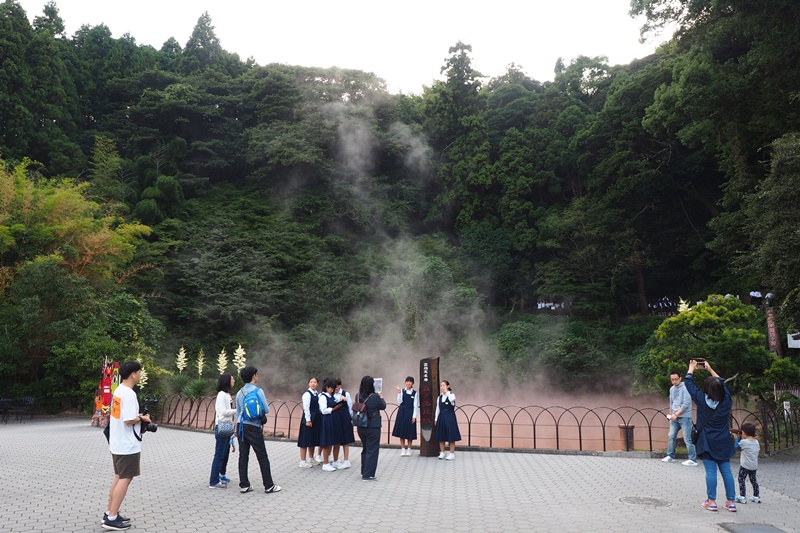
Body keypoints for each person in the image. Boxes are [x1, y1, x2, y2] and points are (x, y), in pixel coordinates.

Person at [102, 361, 150, 531]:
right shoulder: (129, 394)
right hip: (127, 445)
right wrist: (143, 419)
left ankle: (110, 513)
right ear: (133, 374)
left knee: (118, 476)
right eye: (139, 372)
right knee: (125, 478)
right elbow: (128, 420)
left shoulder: (119, 390)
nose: (141, 375)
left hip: (117, 442)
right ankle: (112, 518)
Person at [684, 360, 736, 512]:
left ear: (707, 389)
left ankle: (711, 501)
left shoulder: (701, 399)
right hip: (723, 441)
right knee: (726, 471)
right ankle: (731, 502)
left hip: (707, 442)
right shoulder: (726, 400)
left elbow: (689, 384)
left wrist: (691, 368)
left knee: (711, 472)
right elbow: (722, 383)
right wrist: (711, 369)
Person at [236, 366, 281, 494]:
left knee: (243, 456)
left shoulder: (240, 393)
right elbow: (266, 410)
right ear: (254, 376)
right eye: (257, 374)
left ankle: (244, 485)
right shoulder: (258, 391)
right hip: (254, 427)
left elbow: (238, 413)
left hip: (241, 427)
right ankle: (268, 485)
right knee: (262, 456)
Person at [662, 370, 698, 466]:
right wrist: (670, 415)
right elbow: (671, 402)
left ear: (680, 378)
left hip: (685, 417)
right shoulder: (672, 389)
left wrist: (676, 414)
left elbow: (686, 403)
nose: (674, 381)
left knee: (687, 438)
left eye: (676, 379)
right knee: (671, 436)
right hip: (674, 417)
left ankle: (693, 459)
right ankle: (670, 456)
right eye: (672, 380)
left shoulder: (685, 387)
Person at [356, 375, 387, 480]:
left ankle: (363, 471)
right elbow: (383, 406)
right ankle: (367, 475)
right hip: (373, 427)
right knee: (372, 450)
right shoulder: (375, 397)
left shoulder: (357, 395)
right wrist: (382, 397)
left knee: (365, 449)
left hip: (360, 426)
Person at [209, 373, 236, 488]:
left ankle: (221, 475)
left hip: (227, 426)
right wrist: (237, 410)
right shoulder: (221, 395)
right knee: (219, 454)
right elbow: (223, 411)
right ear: (226, 381)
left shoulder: (227, 394)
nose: (233, 380)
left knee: (225, 453)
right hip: (222, 426)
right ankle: (213, 481)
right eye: (231, 378)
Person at [734, 423, 762, 504]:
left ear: (744, 432)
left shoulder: (744, 442)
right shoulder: (756, 442)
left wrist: (738, 438)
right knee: (753, 480)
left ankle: (742, 496)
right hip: (754, 465)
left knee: (741, 479)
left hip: (745, 465)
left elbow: (737, 446)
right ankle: (756, 496)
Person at [434, 380, 461, 460]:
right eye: (441, 385)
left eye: (444, 385)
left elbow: (452, 400)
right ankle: (442, 452)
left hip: (450, 416)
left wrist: (447, 392)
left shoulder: (451, 395)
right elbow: (437, 409)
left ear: (448, 386)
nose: (442, 387)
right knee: (441, 435)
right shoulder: (439, 397)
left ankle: (451, 453)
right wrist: (436, 419)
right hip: (441, 416)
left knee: (451, 435)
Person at [297, 377, 321, 468]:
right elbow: (306, 408)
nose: (313, 384)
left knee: (312, 439)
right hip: (309, 419)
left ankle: (311, 458)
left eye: (315, 382)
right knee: (305, 440)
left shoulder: (316, 394)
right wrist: (308, 420)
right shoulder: (307, 394)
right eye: (311, 382)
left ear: (317, 384)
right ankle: (302, 461)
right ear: (308, 383)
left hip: (316, 419)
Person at [392, 376, 418, 457]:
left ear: (412, 383)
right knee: (402, 432)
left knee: (410, 432)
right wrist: (399, 393)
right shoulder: (402, 391)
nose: (408, 383)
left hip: (410, 413)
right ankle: (403, 449)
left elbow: (415, 405)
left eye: (410, 382)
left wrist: (414, 416)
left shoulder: (415, 393)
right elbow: (399, 401)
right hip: (402, 413)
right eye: (407, 381)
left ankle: (409, 449)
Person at [331, 378, 354, 469]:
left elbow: (350, 407)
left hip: (345, 418)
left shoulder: (346, 394)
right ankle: (335, 460)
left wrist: (351, 418)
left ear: (340, 385)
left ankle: (346, 460)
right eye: (334, 386)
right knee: (336, 440)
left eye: (338, 386)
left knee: (345, 440)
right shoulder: (331, 394)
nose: (336, 388)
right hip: (335, 418)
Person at [318, 378, 338, 472]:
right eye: (331, 388)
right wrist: (334, 409)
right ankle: (325, 463)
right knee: (326, 442)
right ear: (326, 387)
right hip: (326, 420)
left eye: (333, 388)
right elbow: (324, 410)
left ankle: (328, 461)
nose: (332, 390)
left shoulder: (331, 396)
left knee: (330, 442)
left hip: (331, 420)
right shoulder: (323, 397)